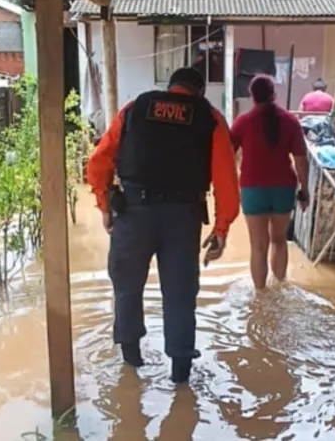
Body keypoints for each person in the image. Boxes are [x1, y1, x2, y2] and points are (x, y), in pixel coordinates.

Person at [86, 67, 240, 384]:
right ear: (200, 92)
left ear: (169, 88)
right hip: (182, 220)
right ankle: (180, 375)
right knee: (180, 295)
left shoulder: (135, 108)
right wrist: (221, 229)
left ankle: (131, 365)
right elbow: (227, 181)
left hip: (133, 213)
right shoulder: (209, 117)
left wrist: (104, 204)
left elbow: (98, 161)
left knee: (127, 287)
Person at [231, 75, 310, 289]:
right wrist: (305, 189)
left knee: (258, 246)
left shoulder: (243, 122)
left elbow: (228, 154)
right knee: (279, 239)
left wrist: (230, 184)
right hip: (283, 188)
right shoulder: (290, 121)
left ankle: (260, 297)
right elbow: (301, 159)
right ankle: (280, 288)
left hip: (252, 187)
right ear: (274, 94)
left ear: (252, 96)